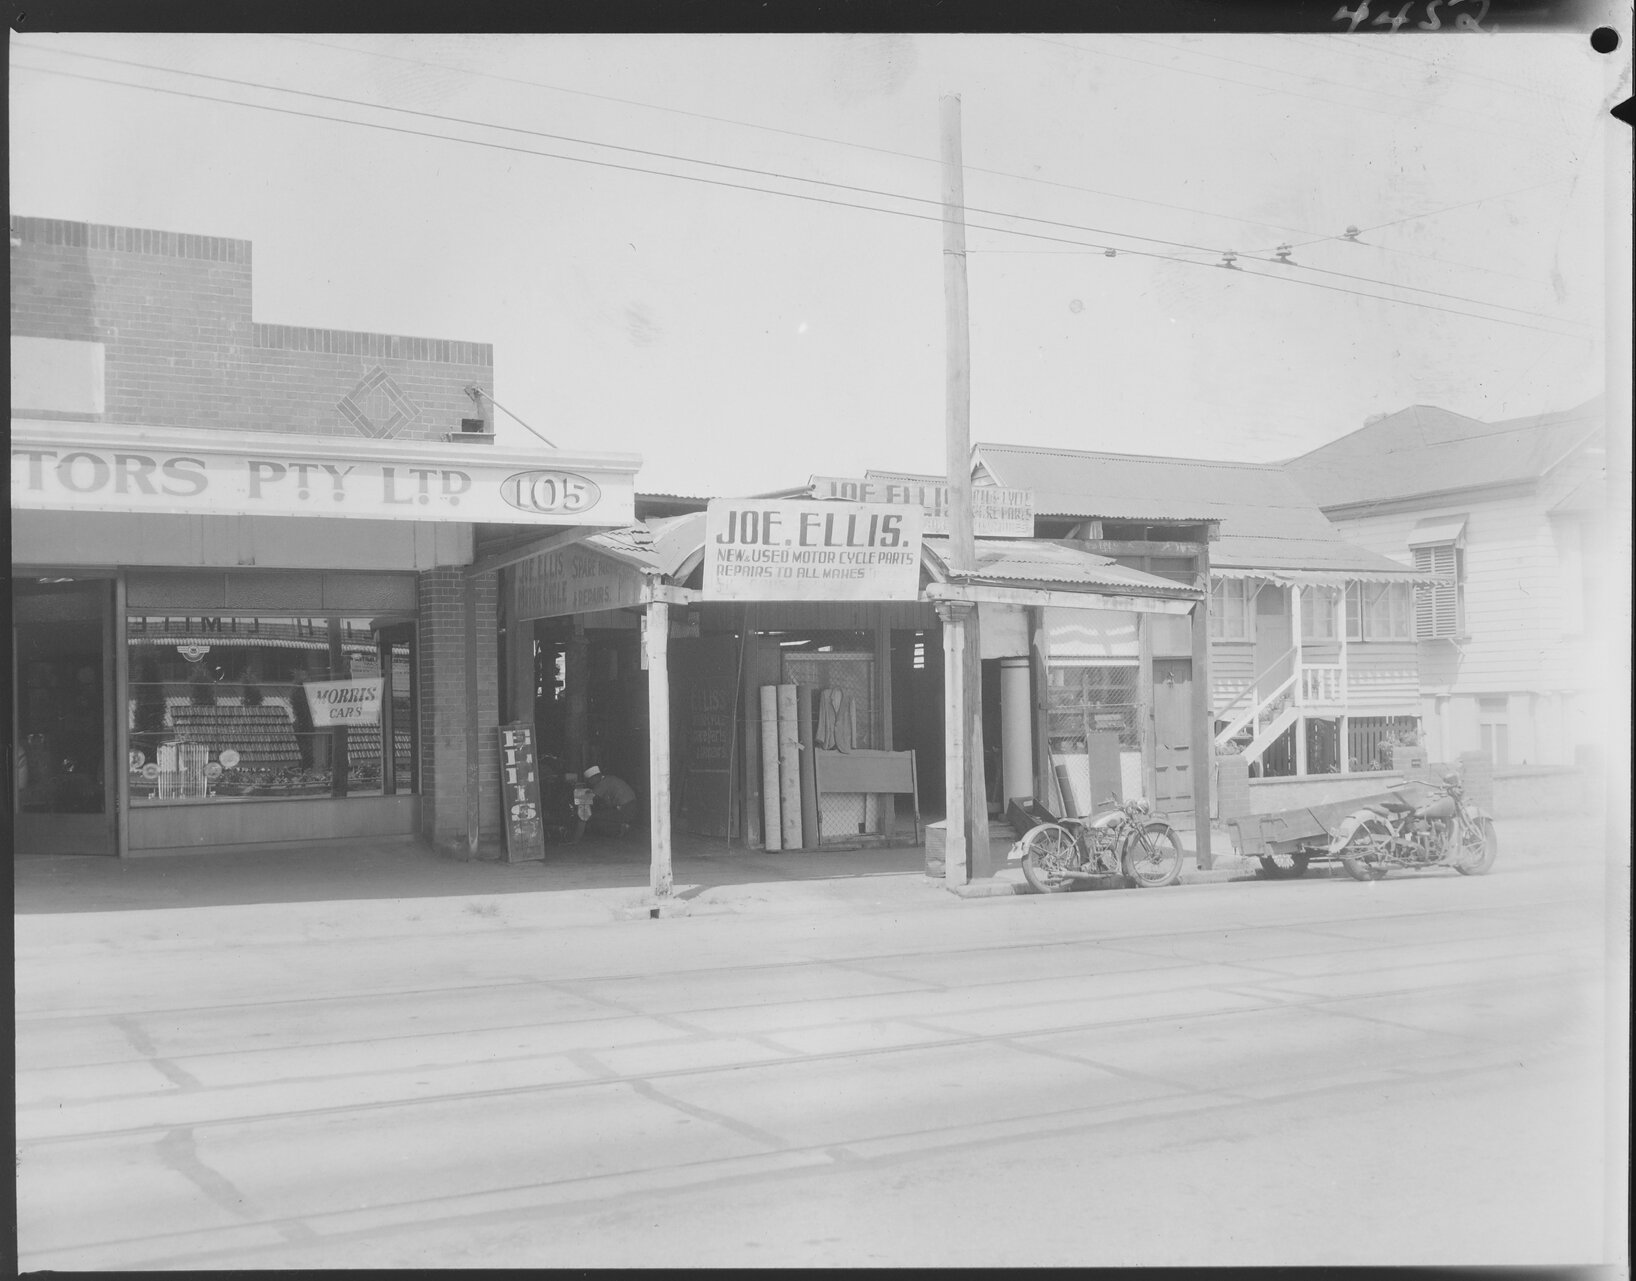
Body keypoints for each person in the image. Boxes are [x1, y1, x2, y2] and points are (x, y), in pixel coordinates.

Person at [576, 764, 637, 838]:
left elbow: (587, 800)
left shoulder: (602, 784)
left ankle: (620, 828)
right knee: (600, 815)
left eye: (590, 780)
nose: (590, 782)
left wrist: (578, 795)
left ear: (596, 777)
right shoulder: (608, 779)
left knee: (594, 818)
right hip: (630, 806)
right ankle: (622, 825)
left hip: (626, 808)